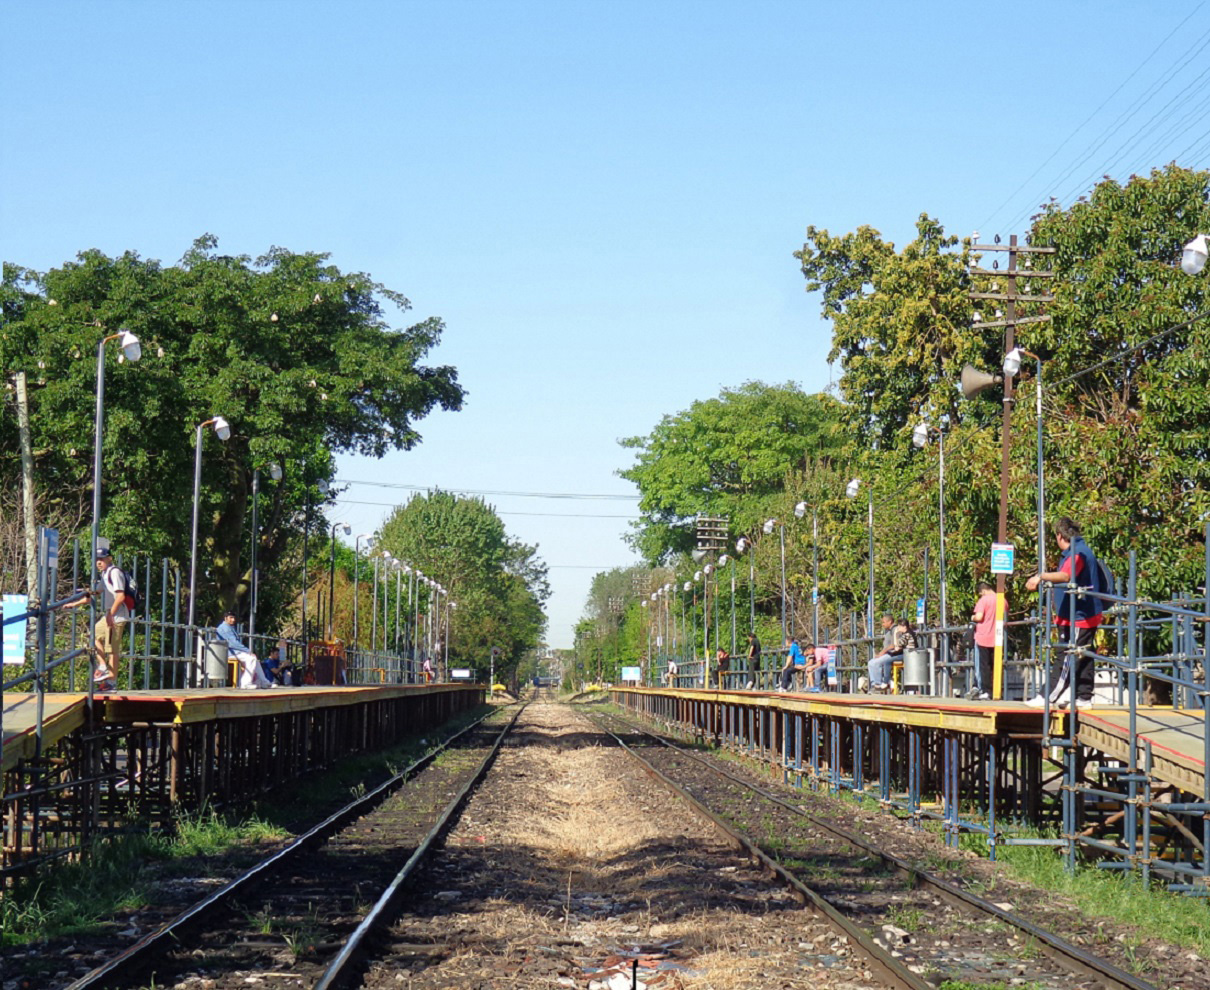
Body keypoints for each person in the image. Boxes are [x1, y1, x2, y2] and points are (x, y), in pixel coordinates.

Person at [1025, 517, 1106, 710]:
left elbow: (1066, 576)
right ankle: (1084, 697)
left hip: (1078, 616)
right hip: (1081, 614)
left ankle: (1047, 696)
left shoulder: (1077, 554)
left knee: (1067, 655)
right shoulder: (1082, 550)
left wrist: (1040, 577)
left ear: (1060, 536)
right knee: (1083, 655)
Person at [70, 550, 133, 690]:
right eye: (97, 559)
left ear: (109, 559)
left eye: (102, 559)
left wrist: (111, 614)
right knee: (93, 635)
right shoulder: (104, 574)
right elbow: (94, 594)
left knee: (112, 650)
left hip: (117, 616)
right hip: (109, 615)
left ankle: (111, 683)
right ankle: (103, 666)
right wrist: (73, 603)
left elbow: (120, 596)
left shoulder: (114, 572)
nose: (99, 562)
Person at [214, 611, 273, 689]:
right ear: (225, 618)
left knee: (255, 659)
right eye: (230, 618)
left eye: (234, 617)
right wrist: (247, 651)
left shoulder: (230, 627)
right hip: (229, 652)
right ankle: (245, 683)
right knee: (251, 658)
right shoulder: (225, 628)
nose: (233, 620)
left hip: (234, 651)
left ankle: (263, 681)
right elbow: (233, 643)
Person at [969, 581, 997, 701]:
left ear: (983, 591)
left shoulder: (983, 600)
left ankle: (984, 690)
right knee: (993, 665)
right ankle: (993, 690)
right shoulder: (1002, 600)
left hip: (983, 636)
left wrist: (972, 617)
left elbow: (979, 617)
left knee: (982, 665)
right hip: (997, 637)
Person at [867, 614, 904, 693]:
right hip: (888, 653)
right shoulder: (888, 631)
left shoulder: (895, 630)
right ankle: (875, 684)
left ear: (890, 622)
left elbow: (894, 644)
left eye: (884, 622)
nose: (882, 624)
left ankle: (878, 685)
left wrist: (882, 653)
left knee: (876, 663)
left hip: (894, 653)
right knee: (871, 662)